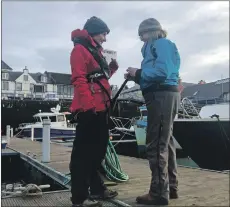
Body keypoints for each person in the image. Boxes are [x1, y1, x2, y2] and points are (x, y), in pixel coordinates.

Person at [125, 18, 181, 205]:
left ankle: (158, 192)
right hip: (163, 95)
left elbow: (162, 72)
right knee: (166, 142)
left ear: (151, 31)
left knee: (156, 144)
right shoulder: (157, 46)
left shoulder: (161, 44)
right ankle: (170, 187)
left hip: (161, 96)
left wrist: (138, 73)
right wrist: (136, 77)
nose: (141, 38)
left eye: (142, 34)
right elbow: (158, 73)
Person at [69, 16, 118, 207]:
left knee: (97, 152)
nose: (105, 38)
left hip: (101, 109)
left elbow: (97, 78)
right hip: (89, 110)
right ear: (94, 32)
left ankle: (97, 190)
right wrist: (88, 107)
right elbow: (79, 80)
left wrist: (111, 70)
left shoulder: (95, 51)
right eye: (103, 34)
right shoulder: (79, 50)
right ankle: (79, 199)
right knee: (83, 155)